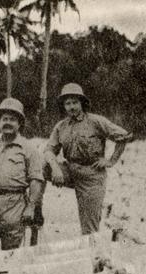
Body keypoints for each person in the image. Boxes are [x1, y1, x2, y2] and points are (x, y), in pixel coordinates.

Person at [43, 83, 131, 235]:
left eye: (75, 102)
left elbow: (123, 136)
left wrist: (110, 161)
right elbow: (49, 150)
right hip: (70, 170)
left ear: (82, 103)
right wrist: (56, 168)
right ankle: (35, 208)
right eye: (67, 103)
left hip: (92, 175)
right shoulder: (61, 126)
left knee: (89, 229)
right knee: (39, 166)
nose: (71, 107)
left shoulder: (96, 121)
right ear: (63, 106)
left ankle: (93, 254)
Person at [0, 98, 44, 252]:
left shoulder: (28, 148)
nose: (8, 123)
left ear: (19, 124)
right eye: (4, 119)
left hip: (14, 204)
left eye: (12, 119)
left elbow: (36, 180)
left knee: (11, 251)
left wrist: (31, 207)